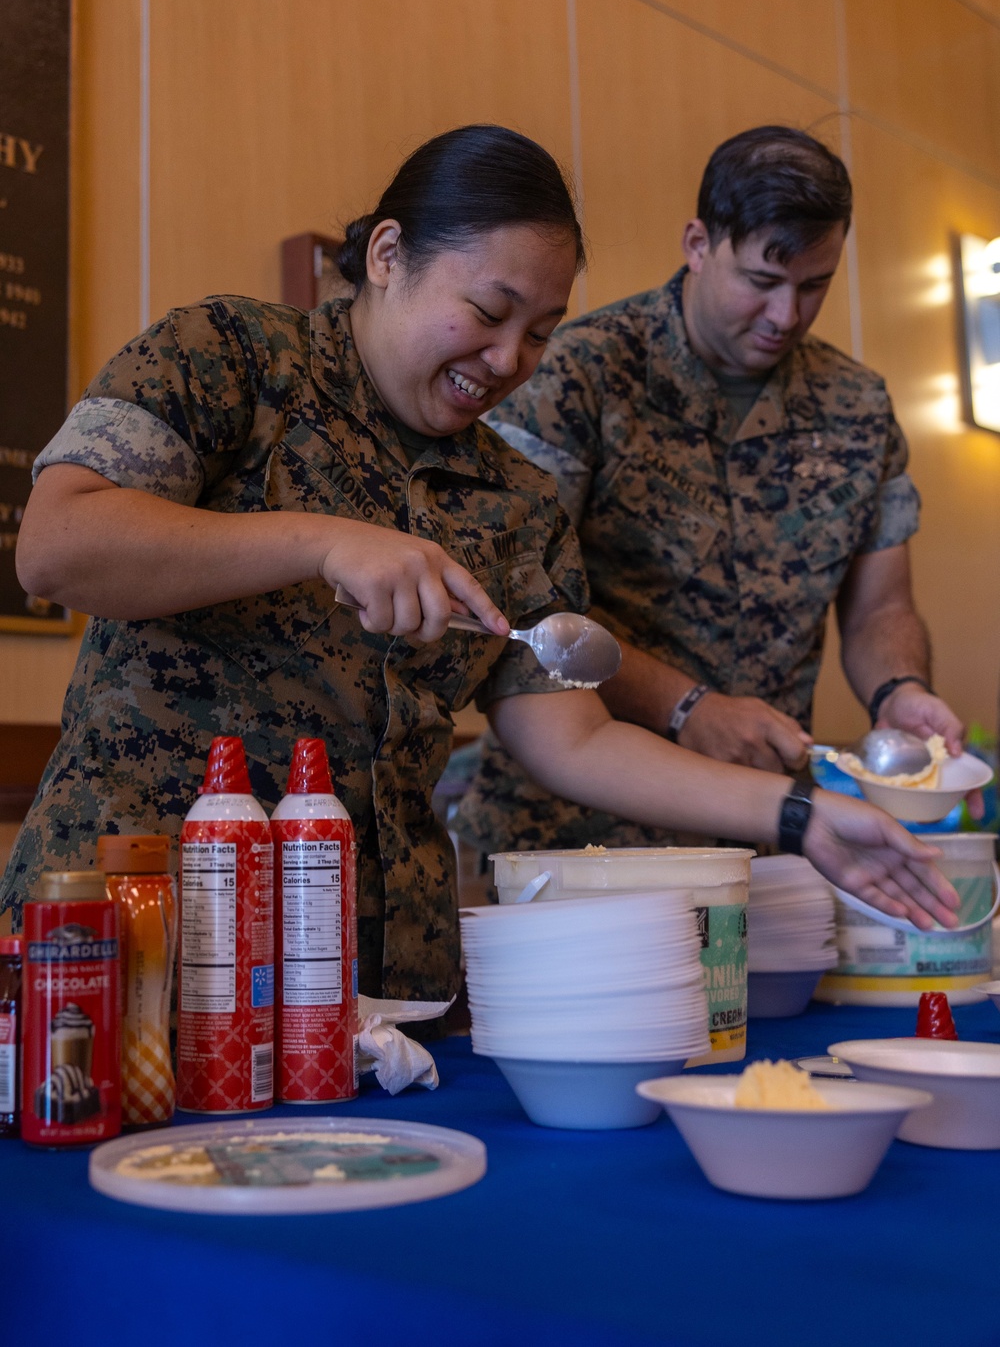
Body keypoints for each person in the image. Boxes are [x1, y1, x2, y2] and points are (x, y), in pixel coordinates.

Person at [9, 125, 957, 1004]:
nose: (508, 359)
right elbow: (58, 548)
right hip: (140, 935)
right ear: (387, 257)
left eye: (540, 331)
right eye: (488, 311)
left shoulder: (513, 500)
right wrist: (321, 539)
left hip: (372, 976)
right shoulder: (230, 357)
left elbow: (574, 738)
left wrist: (803, 819)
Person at [454, 125, 972, 858]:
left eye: (814, 285)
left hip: (764, 836)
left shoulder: (858, 408)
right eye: (762, 281)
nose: (786, 315)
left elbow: (881, 608)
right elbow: (525, 607)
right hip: (572, 837)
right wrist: (685, 707)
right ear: (699, 243)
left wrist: (899, 693)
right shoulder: (580, 374)